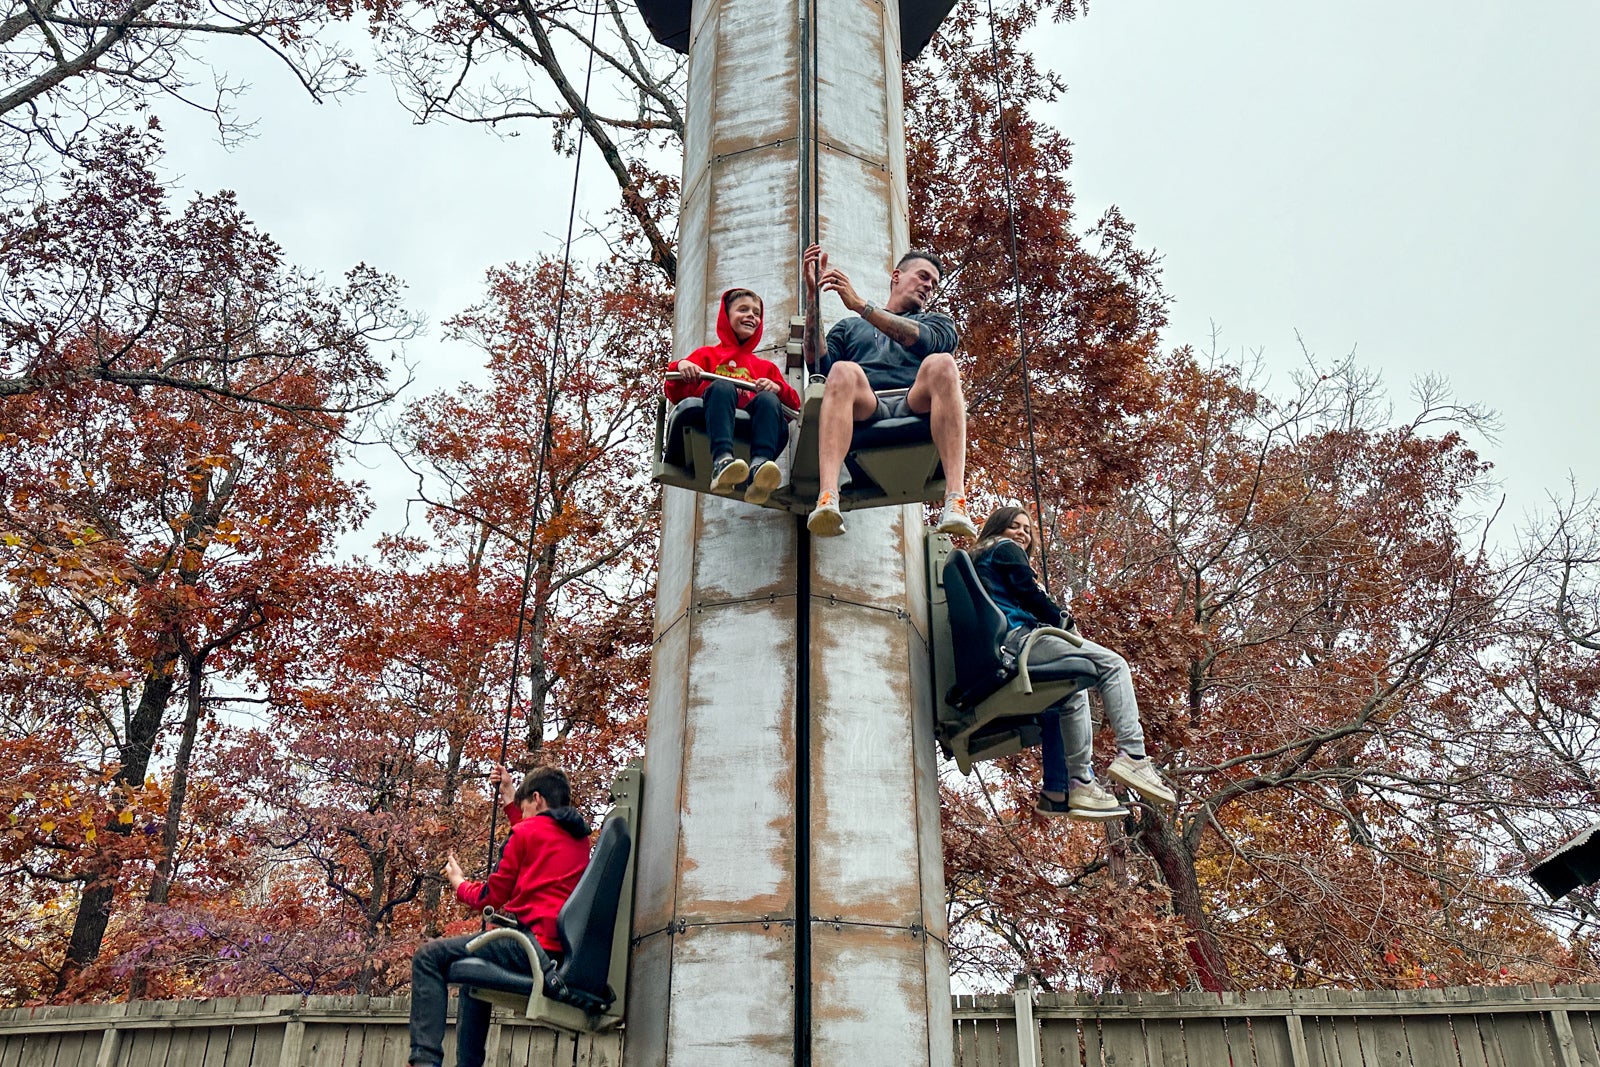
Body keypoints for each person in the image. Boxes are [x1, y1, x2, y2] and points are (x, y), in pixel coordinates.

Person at [969, 506, 1177, 819]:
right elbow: (1028, 593)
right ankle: (1133, 755)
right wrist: (1063, 622)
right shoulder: (1005, 549)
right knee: (1114, 665)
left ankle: (1063, 788)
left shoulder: (977, 561)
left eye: (1028, 529)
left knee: (1069, 691)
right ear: (998, 528)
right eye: (1015, 525)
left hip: (1002, 645)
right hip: (1020, 641)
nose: (1022, 533)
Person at [408, 764, 591, 1067]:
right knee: (472, 979)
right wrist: (509, 795)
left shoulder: (526, 833)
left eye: (524, 806)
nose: (522, 814)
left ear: (537, 799)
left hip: (526, 947)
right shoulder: (579, 840)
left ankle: (424, 1060)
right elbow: (536, 834)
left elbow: (489, 897)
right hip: (557, 952)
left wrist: (458, 883)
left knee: (428, 957)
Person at [802, 243, 974, 538]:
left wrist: (861, 306)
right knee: (843, 370)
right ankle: (828, 495)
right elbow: (818, 363)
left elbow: (924, 342)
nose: (928, 286)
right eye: (922, 276)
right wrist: (812, 297)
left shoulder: (936, 322)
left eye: (933, 283)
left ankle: (955, 499)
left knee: (942, 364)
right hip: (868, 404)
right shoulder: (849, 328)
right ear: (896, 276)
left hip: (914, 399)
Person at [664, 287, 801, 505]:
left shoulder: (765, 368)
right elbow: (674, 391)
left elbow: (794, 405)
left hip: (750, 429)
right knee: (722, 387)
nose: (751, 316)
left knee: (768, 399)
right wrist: (682, 366)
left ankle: (759, 465)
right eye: (743, 310)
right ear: (726, 317)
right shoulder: (707, 355)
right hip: (709, 423)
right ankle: (722, 460)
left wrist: (777, 388)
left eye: (756, 313)